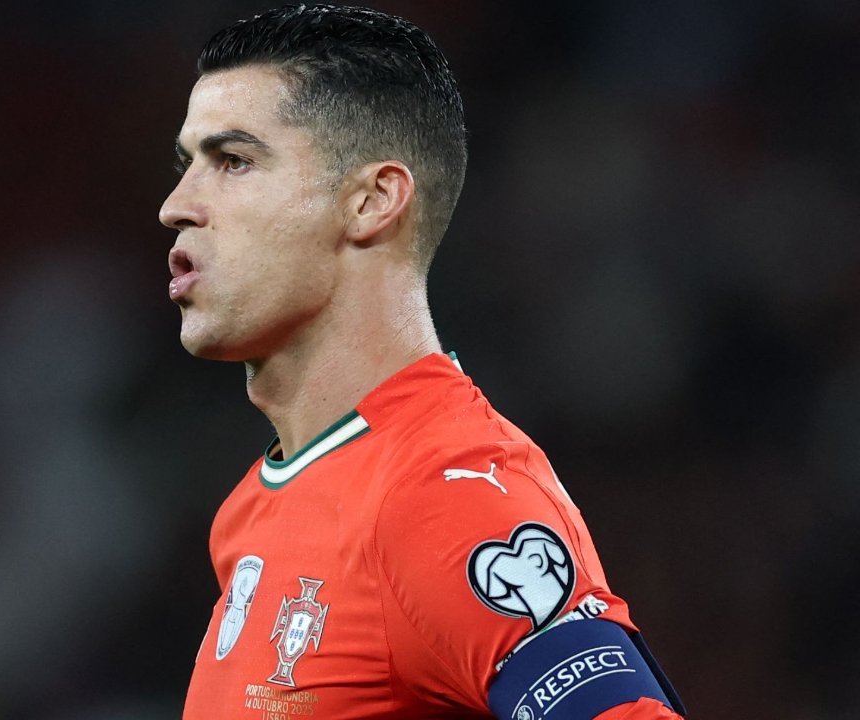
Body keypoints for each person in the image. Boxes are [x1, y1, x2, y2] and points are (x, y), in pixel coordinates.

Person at [159, 5, 686, 719]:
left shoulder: (445, 493)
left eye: (234, 161)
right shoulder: (258, 505)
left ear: (372, 201)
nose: (176, 205)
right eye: (188, 164)